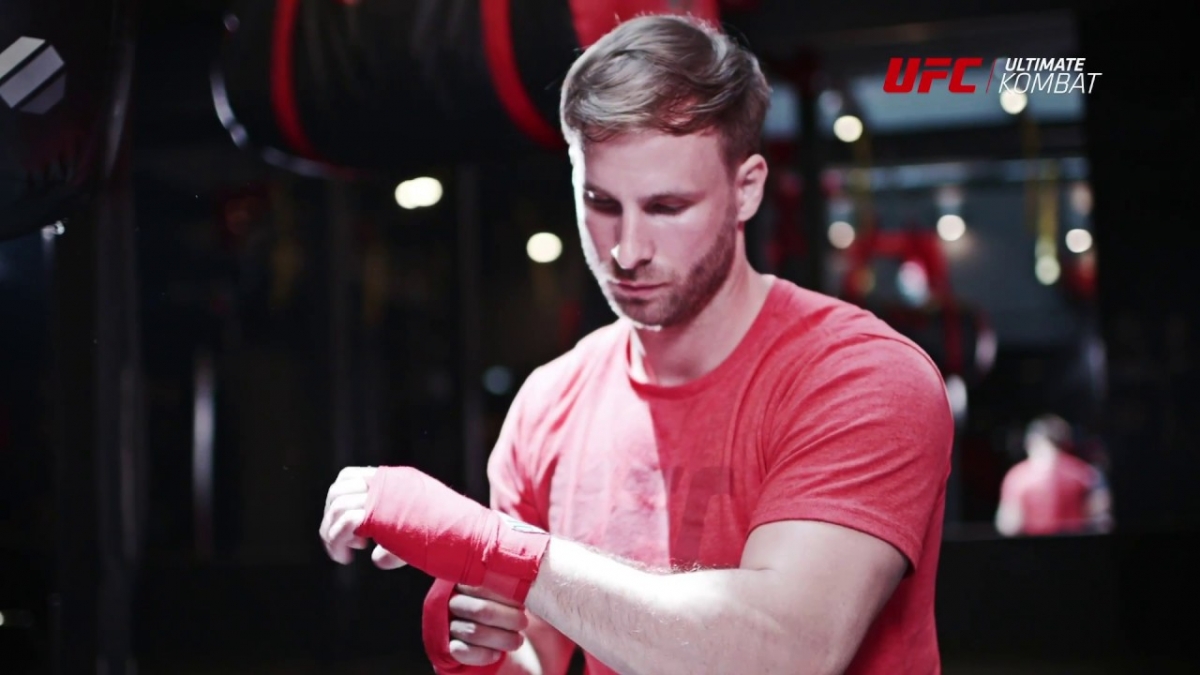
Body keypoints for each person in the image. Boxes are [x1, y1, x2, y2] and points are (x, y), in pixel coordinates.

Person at [319, 14, 953, 675]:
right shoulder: (550, 404)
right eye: (600, 202)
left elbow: (783, 650)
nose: (626, 249)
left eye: (666, 208)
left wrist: (496, 549)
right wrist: (480, 653)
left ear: (746, 189)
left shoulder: (862, 378)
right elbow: (540, 647)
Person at [995, 414, 1113, 537]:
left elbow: (1009, 525)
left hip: (1034, 546)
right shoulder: (1086, 473)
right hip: (1076, 546)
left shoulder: (1018, 477)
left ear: (1032, 441)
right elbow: (1102, 521)